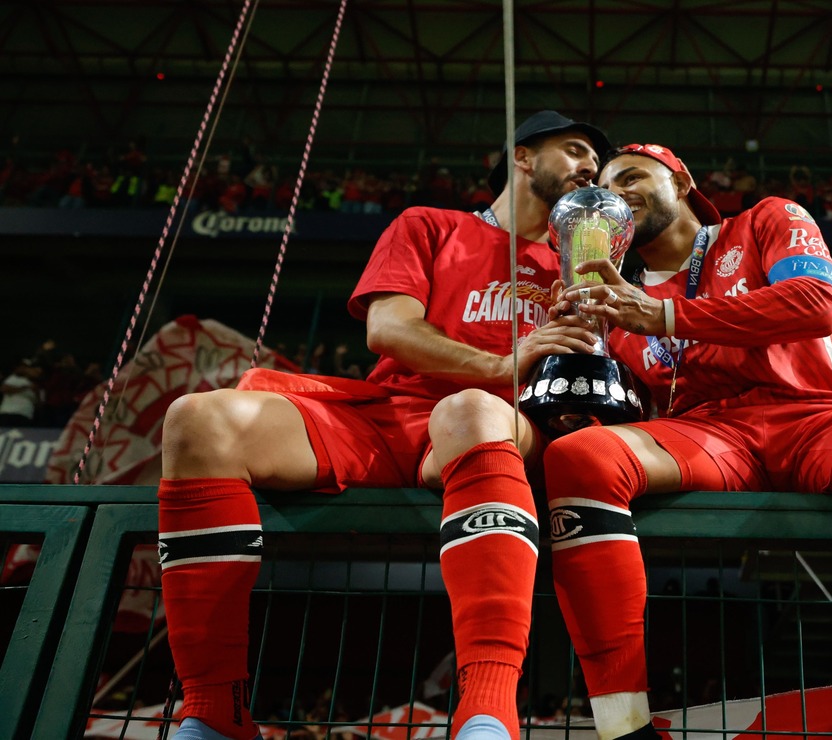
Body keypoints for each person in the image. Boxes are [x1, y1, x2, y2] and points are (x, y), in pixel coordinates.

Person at [155, 110, 610, 740]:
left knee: (471, 408)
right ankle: (213, 709)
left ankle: (486, 710)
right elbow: (388, 330)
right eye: (575, 150)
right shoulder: (429, 224)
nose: (591, 168)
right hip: (387, 416)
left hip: (496, 427)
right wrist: (498, 361)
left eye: (596, 162)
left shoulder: (588, 268)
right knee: (196, 420)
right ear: (524, 157)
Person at [541, 143, 832, 740]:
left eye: (631, 176)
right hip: (708, 434)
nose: (615, 192)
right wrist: (571, 363)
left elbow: (815, 305)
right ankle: (622, 727)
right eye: (604, 186)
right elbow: (627, 410)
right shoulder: (613, 300)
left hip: (818, 414)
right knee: (578, 458)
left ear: (680, 182)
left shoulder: (766, 220)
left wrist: (666, 316)